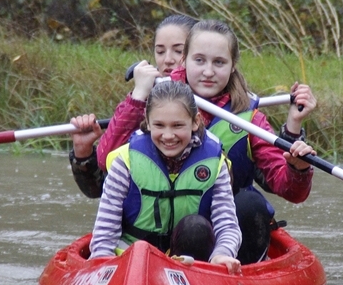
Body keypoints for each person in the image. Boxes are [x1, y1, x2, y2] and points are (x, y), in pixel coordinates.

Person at [96, 19, 317, 264]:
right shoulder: (157, 101)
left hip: (221, 231)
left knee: (249, 204)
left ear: (232, 66)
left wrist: (295, 143)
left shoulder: (250, 120)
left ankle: (234, 270)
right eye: (199, 60)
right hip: (157, 231)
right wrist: (138, 96)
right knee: (191, 226)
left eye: (219, 62)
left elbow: (290, 191)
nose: (208, 72)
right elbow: (106, 160)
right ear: (184, 60)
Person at [88, 80, 242, 275]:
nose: (168, 136)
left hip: (191, 260)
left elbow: (227, 224)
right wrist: (102, 262)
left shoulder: (215, 163)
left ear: (195, 122)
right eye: (159, 125)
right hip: (132, 258)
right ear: (148, 121)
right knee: (134, 249)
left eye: (177, 125)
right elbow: (105, 230)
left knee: (196, 228)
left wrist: (222, 254)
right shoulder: (125, 161)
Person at [69, 14, 198, 198]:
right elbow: (101, 186)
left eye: (178, 51)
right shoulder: (141, 102)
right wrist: (83, 153)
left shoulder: (223, 106)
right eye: (160, 52)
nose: (167, 60)